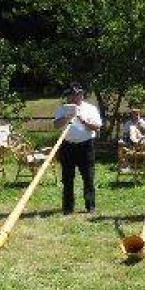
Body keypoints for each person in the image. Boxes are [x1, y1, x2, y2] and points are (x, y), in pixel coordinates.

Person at [53, 82, 102, 215]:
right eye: (72, 95)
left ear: (82, 95)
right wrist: (67, 117)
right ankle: (68, 208)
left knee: (88, 177)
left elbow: (97, 127)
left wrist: (82, 120)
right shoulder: (63, 109)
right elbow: (56, 125)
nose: (75, 97)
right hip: (67, 146)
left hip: (86, 146)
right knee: (67, 178)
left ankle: (90, 206)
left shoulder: (90, 108)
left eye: (77, 94)